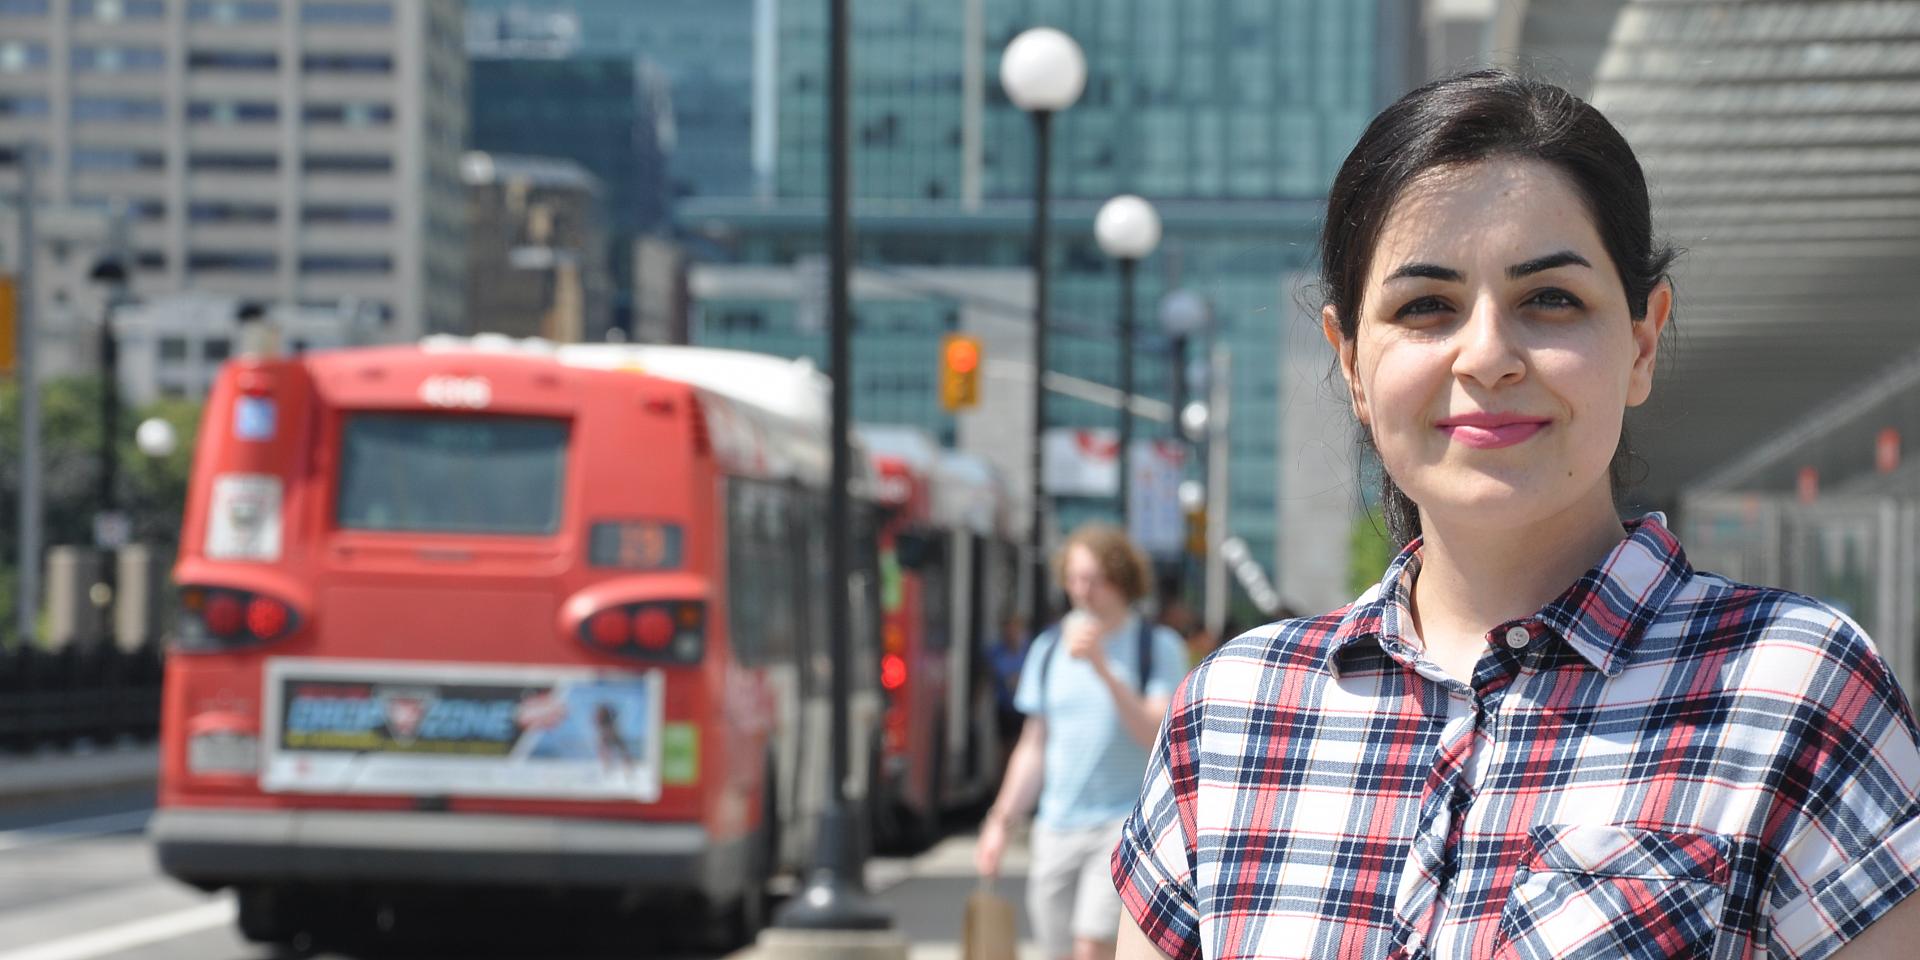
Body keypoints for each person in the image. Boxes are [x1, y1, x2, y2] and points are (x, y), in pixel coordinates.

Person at [1113, 69, 1920, 960]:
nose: (1489, 355)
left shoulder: (1793, 689)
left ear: (1642, 341)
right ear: (1351, 364)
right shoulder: (1232, 715)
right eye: (1427, 307)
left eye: (1550, 299)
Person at [977, 523, 1188, 960]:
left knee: (1091, 946)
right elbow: (1033, 746)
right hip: (1056, 824)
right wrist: (1000, 821)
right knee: (1055, 948)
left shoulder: (1156, 646)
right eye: (1074, 579)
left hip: (1121, 824)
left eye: (1094, 580)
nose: (1082, 591)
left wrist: (1103, 669)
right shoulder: (1049, 648)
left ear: (1122, 581)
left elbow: (1154, 734)